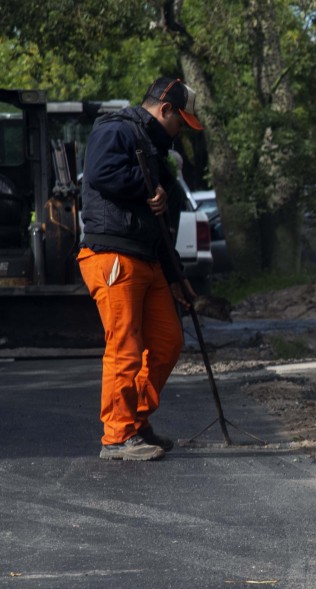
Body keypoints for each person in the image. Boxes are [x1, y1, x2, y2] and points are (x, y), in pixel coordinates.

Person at [78, 77, 203, 461]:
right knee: (125, 347)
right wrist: (149, 187)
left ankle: (134, 420)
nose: (180, 131)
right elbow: (100, 173)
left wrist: (176, 276)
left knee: (167, 342)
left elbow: (159, 224)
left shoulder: (152, 145)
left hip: (148, 258)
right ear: (165, 109)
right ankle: (117, 437)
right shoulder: (114, 129)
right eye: (180, 122)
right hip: (113, 255)